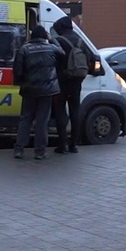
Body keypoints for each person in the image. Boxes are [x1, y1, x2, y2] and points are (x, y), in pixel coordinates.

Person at [12, 25, 62, 160]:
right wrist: (52, 39)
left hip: (29, 90)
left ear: (32, 36)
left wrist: (21, 83)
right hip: (47, 91)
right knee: (42, 121)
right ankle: (40, 152)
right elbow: (62, 53)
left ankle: (19, 149)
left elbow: (17, 70)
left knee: (25, 119)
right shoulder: (51, 48)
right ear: (44, 36)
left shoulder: (24, 49)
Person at [50, 16, 93, 155]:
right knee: (75, 111)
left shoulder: (60, 41)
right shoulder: (81, 42)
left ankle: (62, 145)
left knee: (60, 112)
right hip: (77, 82)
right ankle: (74, 144)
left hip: (61, 82)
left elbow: (53, 61)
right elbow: (90, 60)